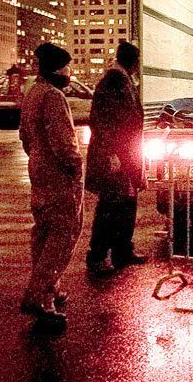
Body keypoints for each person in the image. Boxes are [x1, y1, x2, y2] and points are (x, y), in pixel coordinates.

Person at [19, 43, 84, 330]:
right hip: (59, 175)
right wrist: (75, 164)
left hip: (39, 171)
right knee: (63, 235)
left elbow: (25, 136)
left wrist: (37, 158)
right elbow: (63, 142)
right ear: (58, 69)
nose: (69, 73)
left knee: (44, 234)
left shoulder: (32, 93)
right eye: (67, 68)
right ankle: (40, 295)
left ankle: (52, 288)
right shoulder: (54, 97)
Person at [85, 41, 147, 274]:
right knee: (110, 206)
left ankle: (122, 251)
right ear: (132, 61)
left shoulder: (122, 80)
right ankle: (98, 256)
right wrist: (112, 154)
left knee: (126, 203)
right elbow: (105, 122)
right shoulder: (114, 82)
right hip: (116, 156)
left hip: (125, 154)